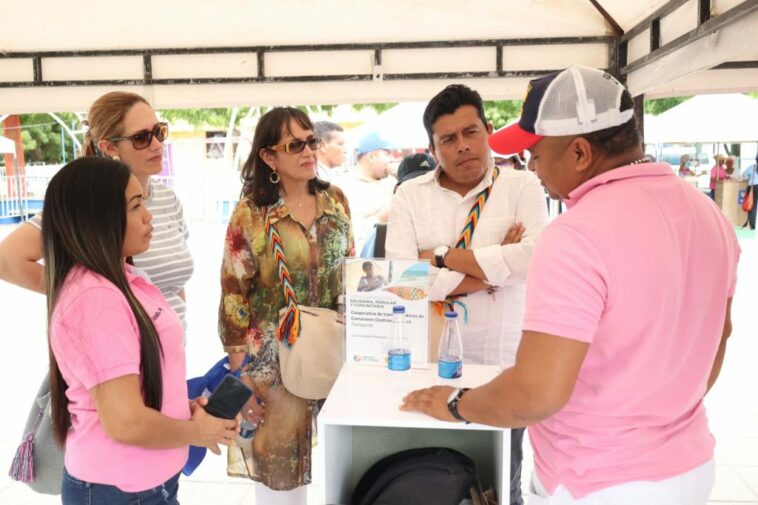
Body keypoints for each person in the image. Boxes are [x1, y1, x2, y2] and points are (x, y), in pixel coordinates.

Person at [401, 66, 740, 505]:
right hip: (689, 466)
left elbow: (533, 394)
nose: (531, 165)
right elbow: (719, 338)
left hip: (599, 479)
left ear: (579, 152)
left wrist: (452, 403)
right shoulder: (709, 215)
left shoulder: (576, 234)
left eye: (535, 152)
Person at [386, 84, 548, 505]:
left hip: (505, 367)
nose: (463, 146)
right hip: (430, 367)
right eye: (448, 139)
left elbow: (534, 260)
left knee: (502, 481)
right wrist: (490, 273)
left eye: (471, 132)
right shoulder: (410, 195)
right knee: (435, 479)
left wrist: (440, 258)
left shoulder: (522, 186)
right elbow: (404, 285)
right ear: (432, 148)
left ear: (488, 130)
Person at [43, 158, 235, 505]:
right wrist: (195, 431)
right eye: (135, 206)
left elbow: (137, 390)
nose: (149, 215)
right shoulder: (95, 299)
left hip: (148, 481)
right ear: (97, 218)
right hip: (118, 489)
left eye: (143, 202)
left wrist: (182, 409)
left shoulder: (124, 282)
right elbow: (126, 422)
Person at [218, 107, 354, 505]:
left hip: (333, 351)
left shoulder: (336, 200)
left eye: (311, 141)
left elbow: (349, 271)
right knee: (280, 481)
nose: (309, 151)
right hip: (272, 363)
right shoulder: (251, 215)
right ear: (268, 157)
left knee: (345, 464)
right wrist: (239, 372)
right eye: (295, 145)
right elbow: (232, 296)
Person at [0, 92, 194, 330]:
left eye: (159, 131)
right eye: (141, 137)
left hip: (169, 355)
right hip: (117, 355)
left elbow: (174, 286)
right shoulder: (88, 203)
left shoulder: (168, 199)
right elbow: (7, 258)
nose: (156, 144)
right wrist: (81, 294)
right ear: (109, 146)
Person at [334, 130, 396, 251]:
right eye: (387, 154)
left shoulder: (393, 183)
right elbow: (339, 234)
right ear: (372, 156)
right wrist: (378, 218)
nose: (391, 159)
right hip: (360, 263)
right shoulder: (341, 186)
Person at [742, 154, 758, 229]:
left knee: (752, 206)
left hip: (753, 187)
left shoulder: (752, 167)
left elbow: (744, 175)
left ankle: (752, 225)